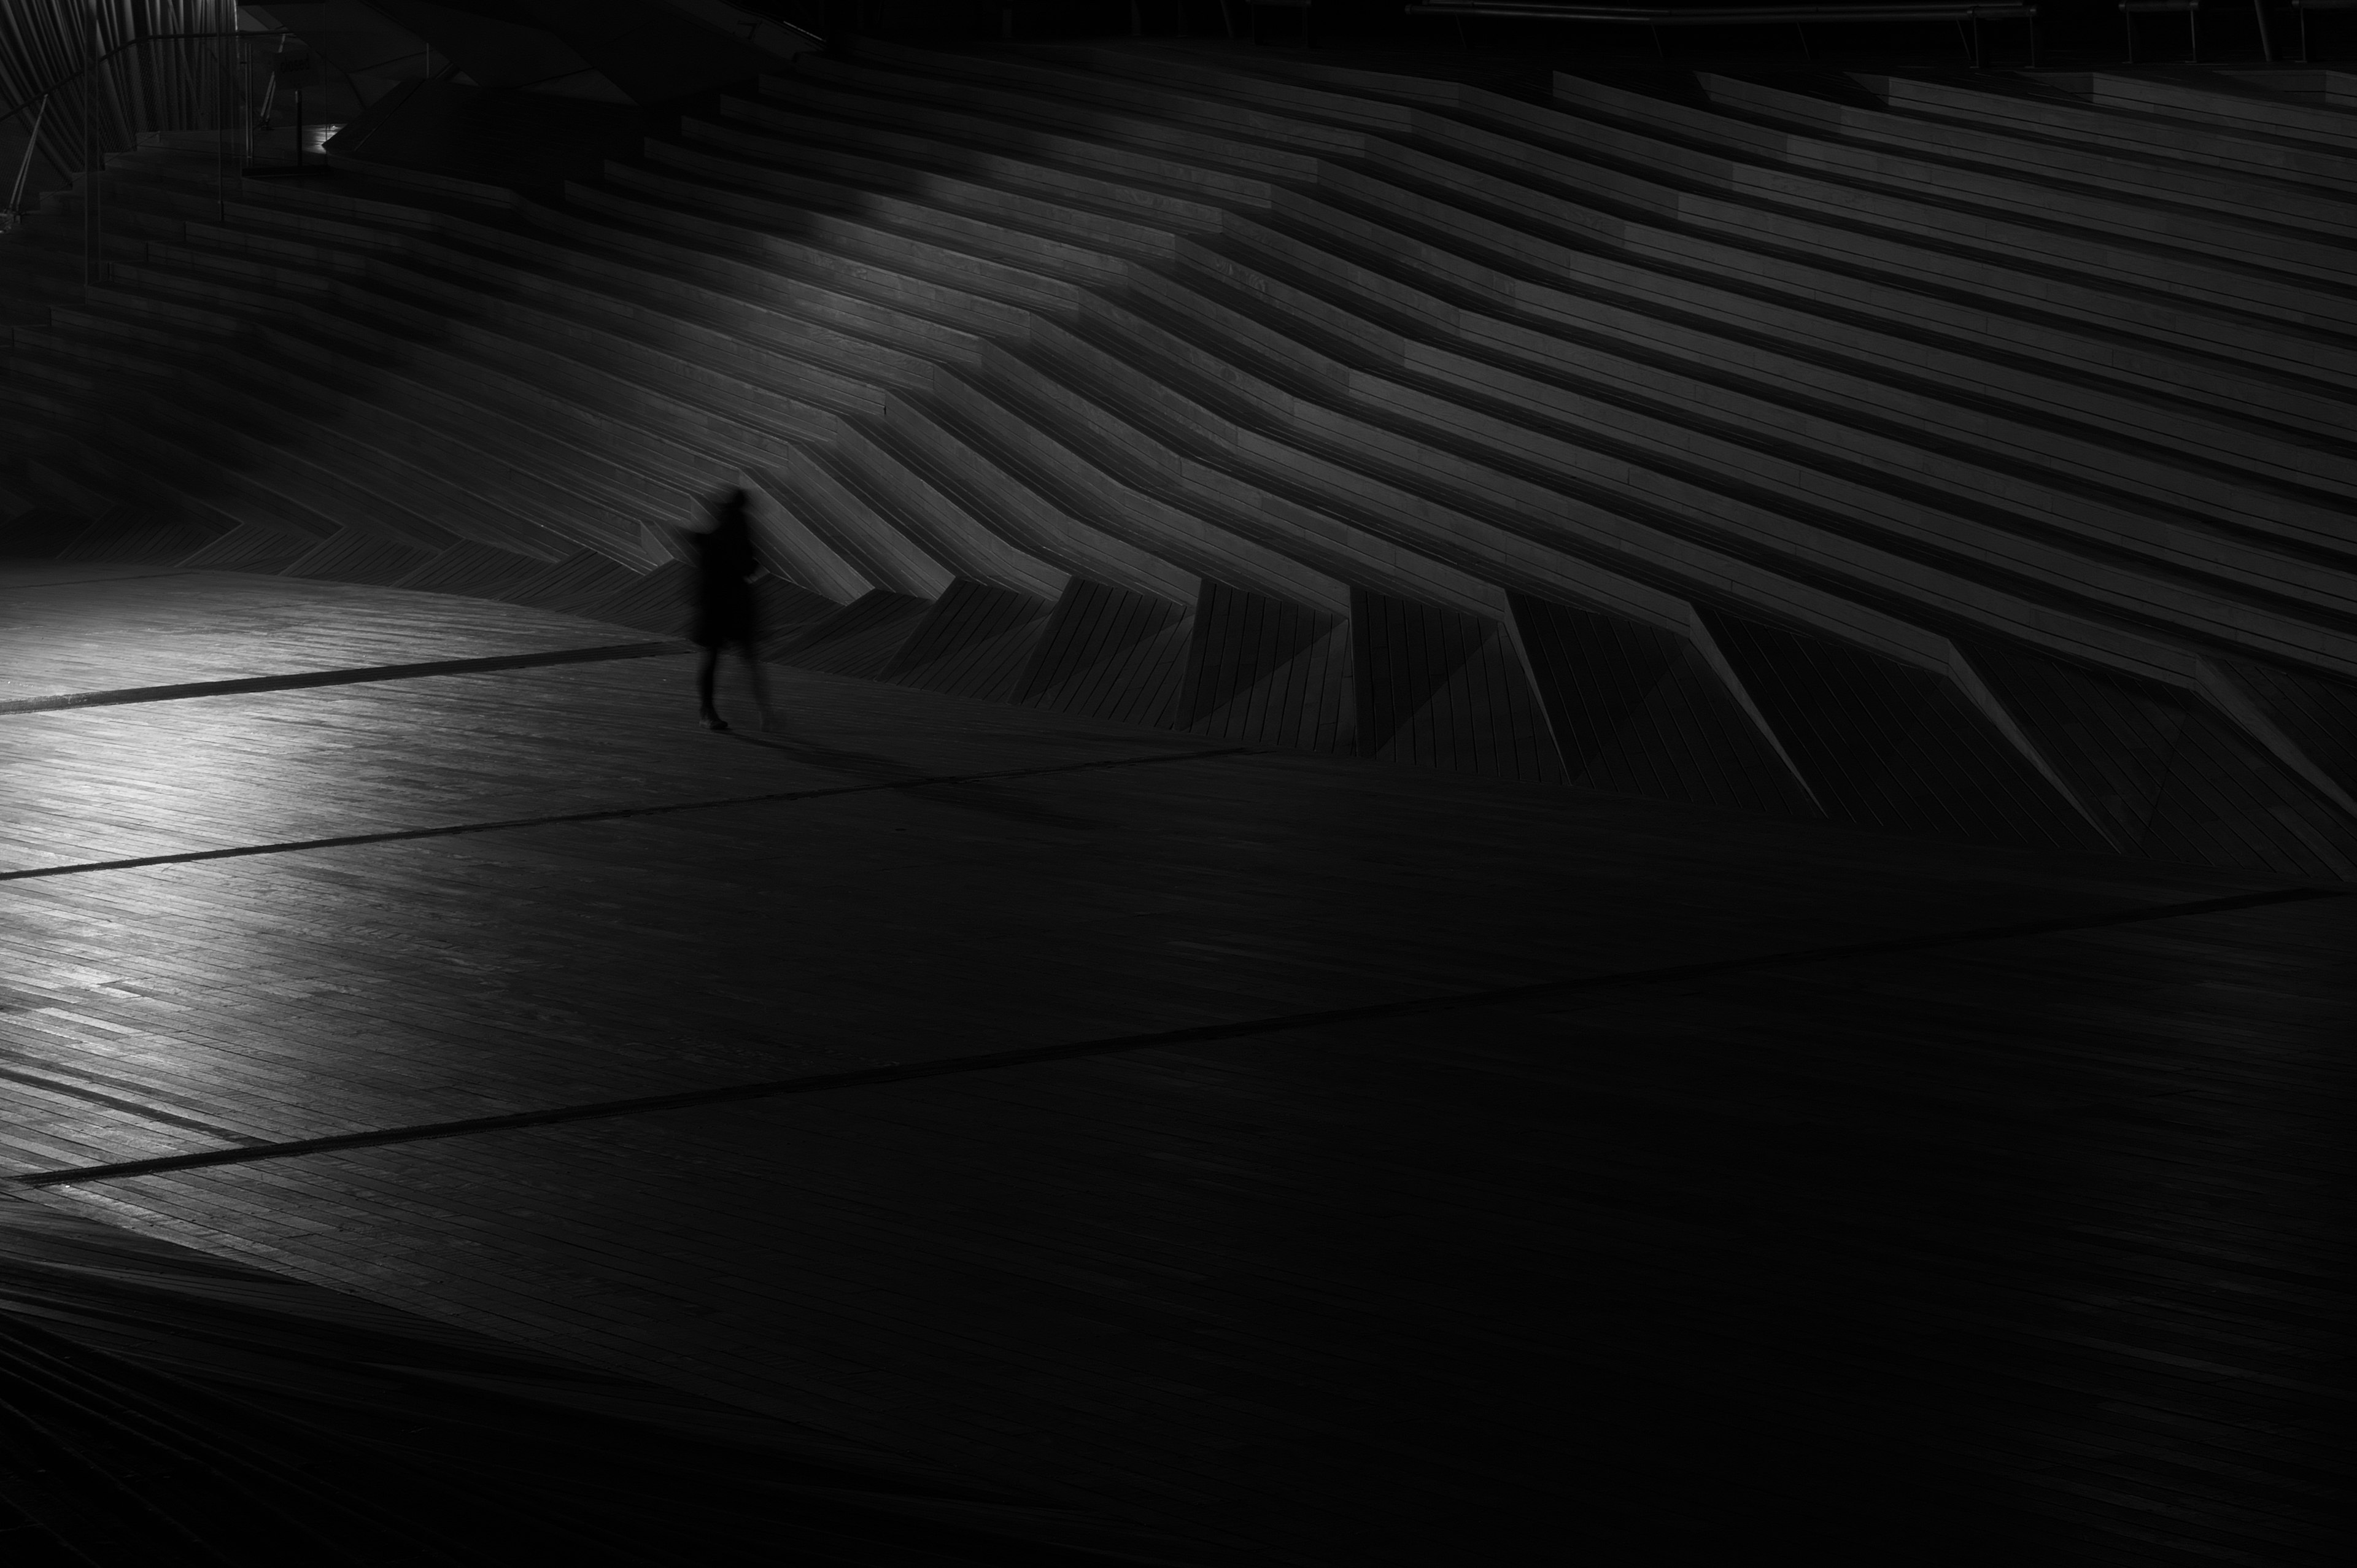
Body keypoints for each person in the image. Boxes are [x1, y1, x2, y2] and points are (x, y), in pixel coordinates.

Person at [684, 487, 770, 732]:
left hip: (715, 604)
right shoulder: (739, 527)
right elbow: (747, 566)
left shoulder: (720, 530)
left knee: (712, 658)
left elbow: (708, 562)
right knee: (748, 658)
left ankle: (708, 711)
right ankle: (765, 713)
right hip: (732, 603)